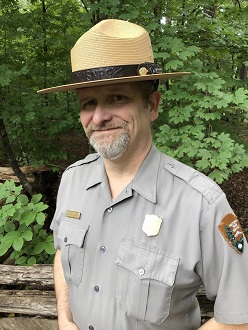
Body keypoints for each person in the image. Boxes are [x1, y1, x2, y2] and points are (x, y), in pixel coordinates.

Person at [38, 19, 248, 330]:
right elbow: (61, 253)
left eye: (117, 98)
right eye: (89, 103)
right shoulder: (73, 180)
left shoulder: (201, 204)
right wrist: (64, 316)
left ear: (151, 105)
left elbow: (239, 315)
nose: (99, 116)